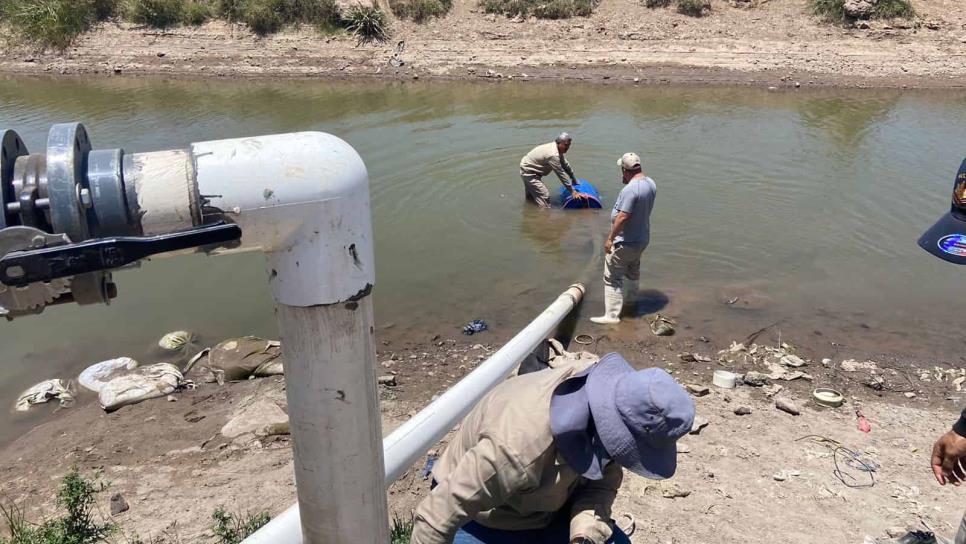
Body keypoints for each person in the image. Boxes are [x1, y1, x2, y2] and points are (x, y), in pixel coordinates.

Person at [410, 352, 695, 544]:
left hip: (546, 508)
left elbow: (601, 485)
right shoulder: (515, 450)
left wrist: (584, 535)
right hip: (484, 520)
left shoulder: (610, 404)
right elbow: (435, 519)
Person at [590, 153, 657, 325]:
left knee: (612, 276)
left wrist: (610, 239)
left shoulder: (630, 190)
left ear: (625, 170)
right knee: (632, 272)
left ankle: (611, 316)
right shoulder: (650, 184)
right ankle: (631, 303)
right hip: (641, 239)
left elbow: (623, 217)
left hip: (625, 242)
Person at [520, 133, 585, 208]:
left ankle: (530, 213)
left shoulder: (556, 149)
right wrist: (572, 191)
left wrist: (573, 178)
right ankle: (543, 216)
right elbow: (561, 174)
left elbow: (565, 165)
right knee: (544, 196)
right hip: (529, 172)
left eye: (569, 145)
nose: (568, 147)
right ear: (559, 143)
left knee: (531, 199)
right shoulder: (553, 155)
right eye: (566, 145)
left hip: (527, 167)